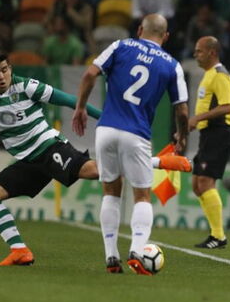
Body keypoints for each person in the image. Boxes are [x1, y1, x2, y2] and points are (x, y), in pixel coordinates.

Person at [0, 50, 102, 267]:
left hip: (48, 147)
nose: (1, 76)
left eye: (4, 70)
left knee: (94, 171)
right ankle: (20, 251)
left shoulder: (26, 86)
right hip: (27, 162)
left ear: (11, 70)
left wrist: (106, 119)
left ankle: (155, 163)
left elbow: (69, 100)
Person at [72, 14, 191, 275]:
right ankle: (137, 250)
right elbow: (181, 110)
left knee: (111, 192)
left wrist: (81, 107)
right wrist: (182, 135)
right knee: (141, 195)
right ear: (166, 36)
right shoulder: (172, 65)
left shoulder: (121, 46)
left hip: (106, 129)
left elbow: (90, 74)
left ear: (140, 30)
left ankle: (111, 255)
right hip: (136, 132)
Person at [188, 36, 230, 249]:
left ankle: (218, 236)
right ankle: (216, 234)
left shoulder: (220, 75)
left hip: (218, 133)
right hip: (207, 135)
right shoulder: (208, 75)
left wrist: (198, 118)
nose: (195, 54)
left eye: (199, 51)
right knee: (197, 184)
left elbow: (227, 107)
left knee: (205, 182)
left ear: (212, 52)